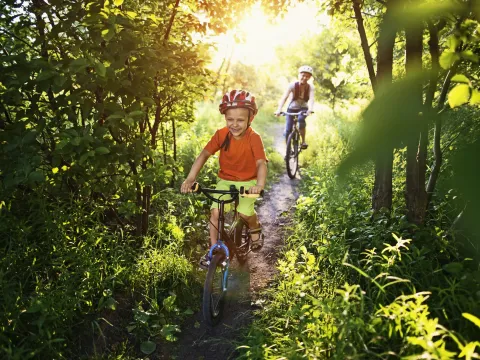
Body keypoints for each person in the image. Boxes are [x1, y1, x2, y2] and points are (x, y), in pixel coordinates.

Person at [180, 89, 268, 268]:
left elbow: (260, 163)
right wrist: (190, 178)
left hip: (248, 181)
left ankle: (254, 227)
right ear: (225, 118)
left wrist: (259, 184)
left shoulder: (254, 138)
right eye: (230, 119)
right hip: (226, 180)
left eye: (240, 120)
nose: (234, 124)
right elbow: (204, 154)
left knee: (244, 212)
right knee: (216, 212)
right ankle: (213, 249)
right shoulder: (221, 135)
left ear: (250, 119)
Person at [274, 65, 315, 149]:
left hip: (303, 108)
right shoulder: (292, 85)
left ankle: (303, 141)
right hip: (291, 108)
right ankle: (288, 149)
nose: (304, 78)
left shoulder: (310, 87)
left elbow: (311, 99)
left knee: (301, 120)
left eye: (307, 76)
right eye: (303, 75)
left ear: (310, 77)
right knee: (288, 130)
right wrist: (279, 109)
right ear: (299, 75)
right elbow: (284, 98)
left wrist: (310, 109)